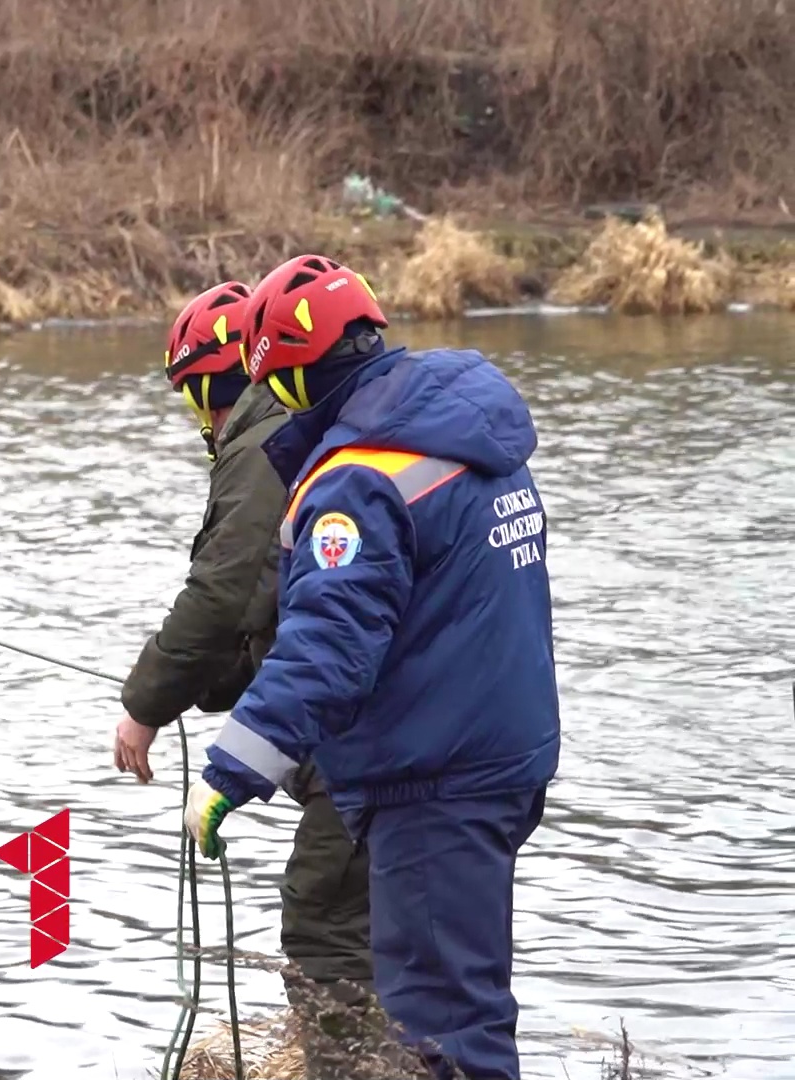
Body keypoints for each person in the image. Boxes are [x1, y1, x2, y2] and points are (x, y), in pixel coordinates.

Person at [181, 254, 559, 1080]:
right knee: (467, 1002)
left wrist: (229, 773)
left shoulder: (358, 479)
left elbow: (328, 645)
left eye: (271, 384)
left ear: (289, 377)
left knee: (442, 1030)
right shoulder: (469, 433)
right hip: (502, 758)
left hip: (432, 779)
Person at [113, 281, 374, 1076]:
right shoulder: (294, 437)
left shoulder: (261, 446)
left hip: (366, 742)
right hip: (406, 730)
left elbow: (226, 592)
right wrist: (200, 686)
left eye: (194, 398)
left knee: (325, 919)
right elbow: (270, 607)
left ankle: (356, 1069)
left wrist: (144, 705)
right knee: (392, 927)